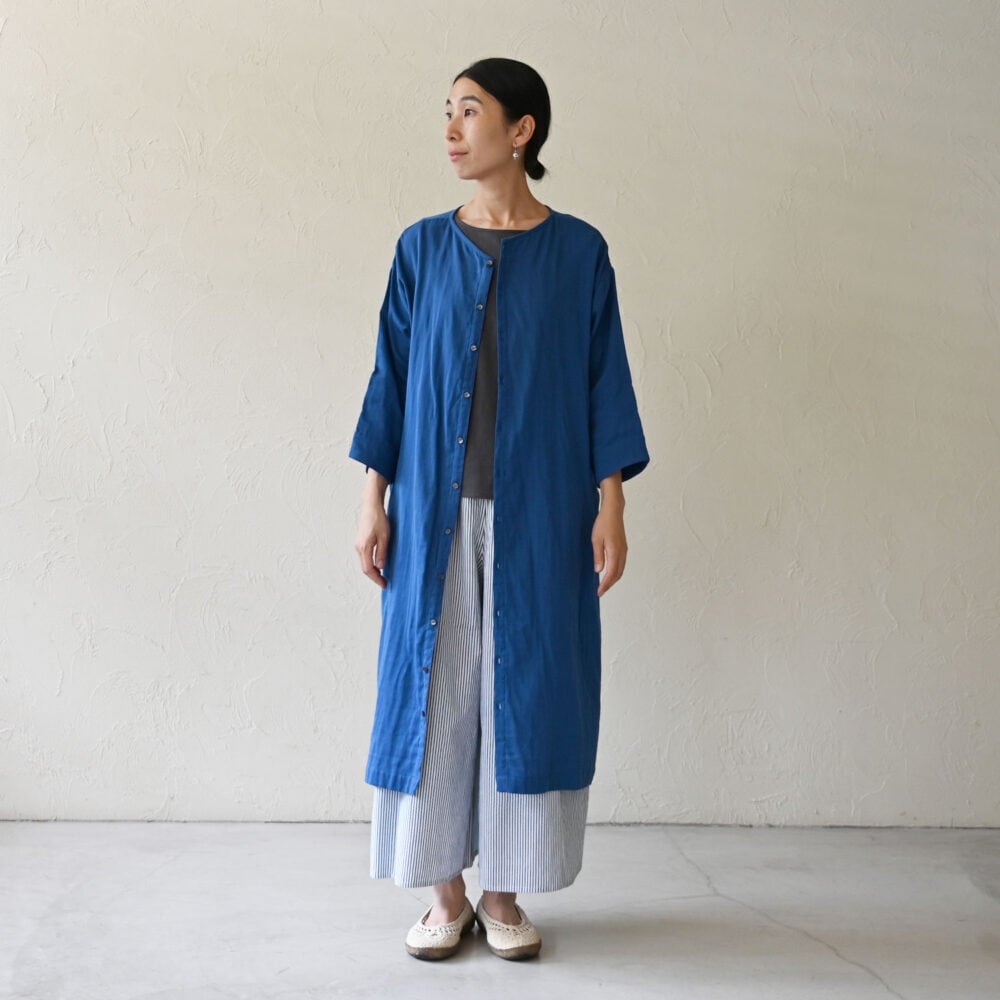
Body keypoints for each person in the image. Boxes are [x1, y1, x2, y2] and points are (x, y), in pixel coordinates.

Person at [349, 57, 649, 961]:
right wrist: (373, 501)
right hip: (433, 520)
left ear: (522, 130)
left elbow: (603, 382)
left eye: (470, 112)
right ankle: (444, 894)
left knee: (527, 693)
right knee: (435, 697)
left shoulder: (580, 253)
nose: (451, 129)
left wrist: (611, 504)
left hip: (544, 515)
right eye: (447, 112)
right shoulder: (420, 248)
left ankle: (505, 893)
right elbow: (390, 380)